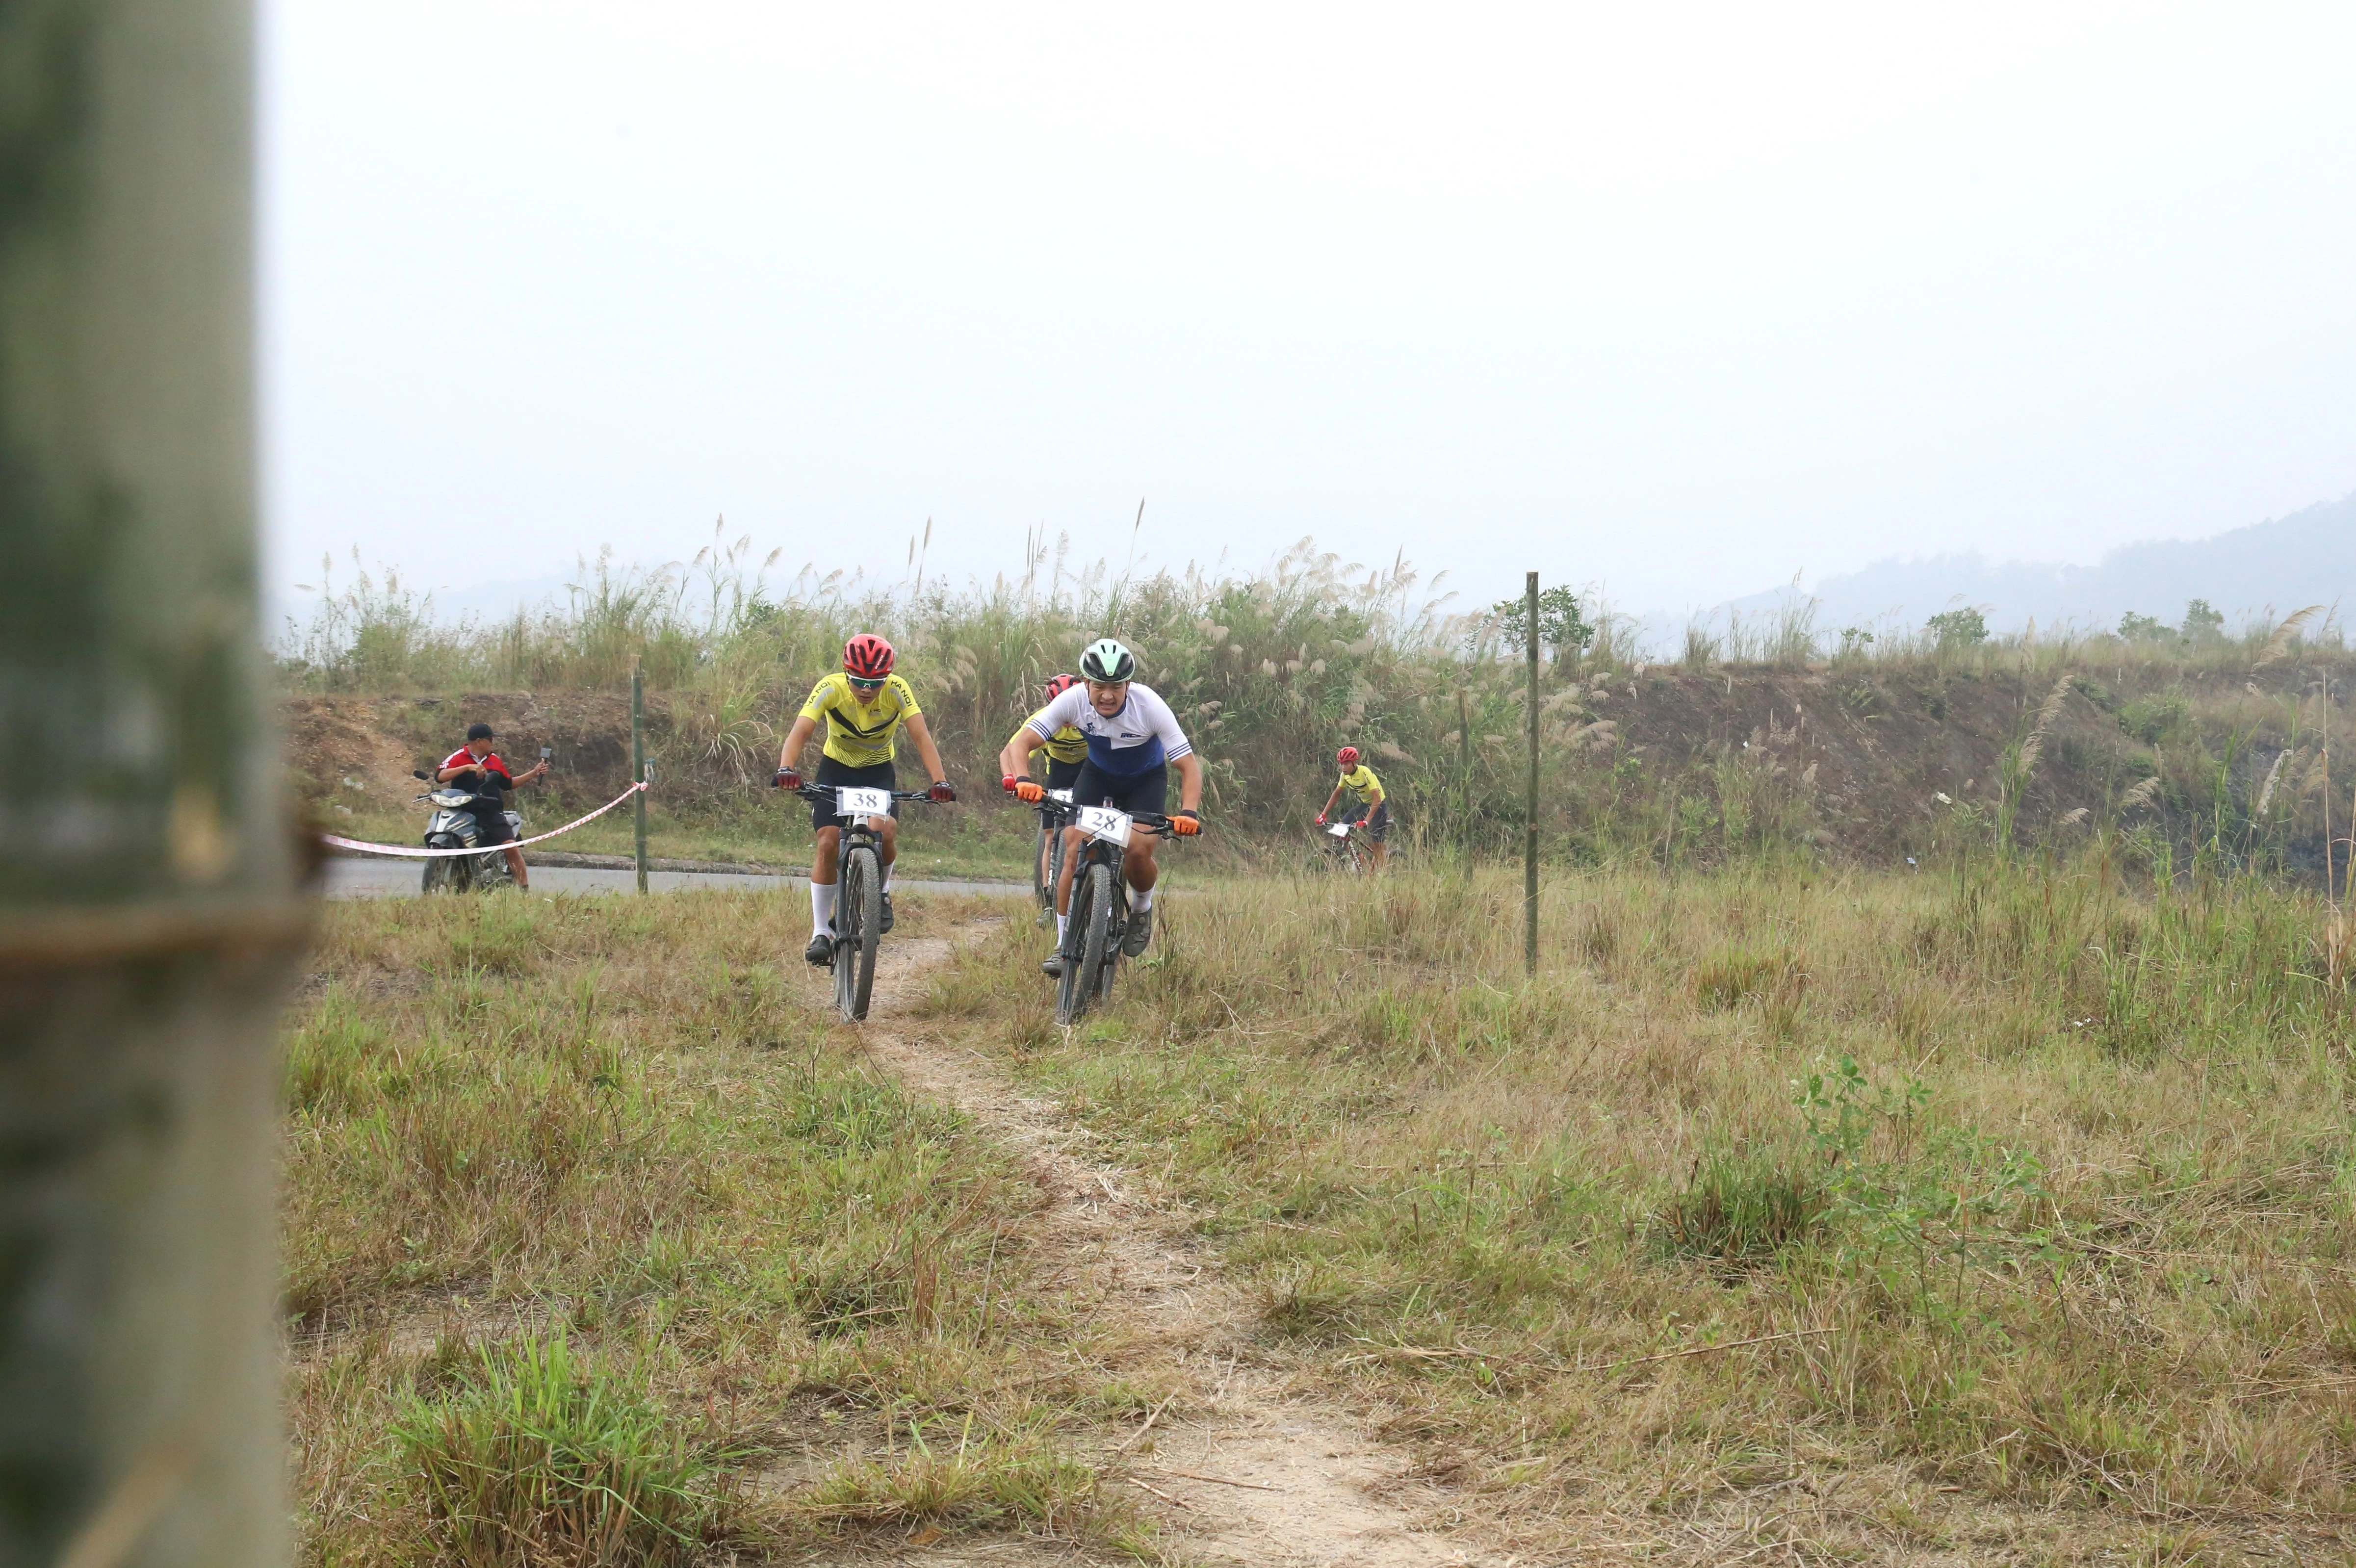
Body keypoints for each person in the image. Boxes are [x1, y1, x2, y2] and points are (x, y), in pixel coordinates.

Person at [1007, 638, 1201, 974]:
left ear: (1128, 685)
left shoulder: (1150, 705)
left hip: (1145, 781)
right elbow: (1023, 742)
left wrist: (1188, 812)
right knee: (1075, 847)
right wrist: (1024, 778)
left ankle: (1141, 907)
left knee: (1138, 851)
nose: (1107, 695)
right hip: (1097, 776)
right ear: (1086, 684)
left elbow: (1188, 765)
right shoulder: (1072, 701)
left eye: (1116, 686)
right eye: (1099, 686)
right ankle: (1063, 943)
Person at [774, 633, 955, 965]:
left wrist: (939, 780)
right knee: (828, 843)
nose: (867, 690)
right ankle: (821, 931)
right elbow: (801, 730)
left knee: (884, 833)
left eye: (875, 682)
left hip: (876, 774)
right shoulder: (830, 687)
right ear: (846, 674)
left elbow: (920, 736)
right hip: (836, 771)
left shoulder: (898, 689)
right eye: (858, 681)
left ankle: (880, 893)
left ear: (887, 678)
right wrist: (787, 768)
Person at [996, 673, 1087, 898]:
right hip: (1057, 773)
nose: (1067, 716)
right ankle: (1047, 893)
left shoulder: (1090, 717)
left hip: (1087, 772)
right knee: (1050, 833)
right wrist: (1012, 777)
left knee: (1087, 832)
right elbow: (1010, 751)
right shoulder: (1044, 718)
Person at [435, 721, 549, 888]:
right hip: (462, 809)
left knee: (511, 847)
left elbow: (508, 784)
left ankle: (524, 889)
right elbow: (440, 776)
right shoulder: (459, 756)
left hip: (490, 811)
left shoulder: (495, 760)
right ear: (480, 741)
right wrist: (468, 768)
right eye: (490, 739)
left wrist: (534, 773)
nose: (493, 743)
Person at [1315, 745, 1390, 873]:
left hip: (1379, 805)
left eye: (1346, 764)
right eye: (1341, 764)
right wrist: (1324, 814)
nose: (1343, 767)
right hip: (1365, 804)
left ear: (1355, 763)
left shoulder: (1364, 772)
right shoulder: (1345, 776)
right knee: (1339, 830)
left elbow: (1376, 798)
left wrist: (1366, 821)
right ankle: (1359, 858)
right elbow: (1336, 794)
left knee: (1377, 846)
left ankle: (1383, 873)